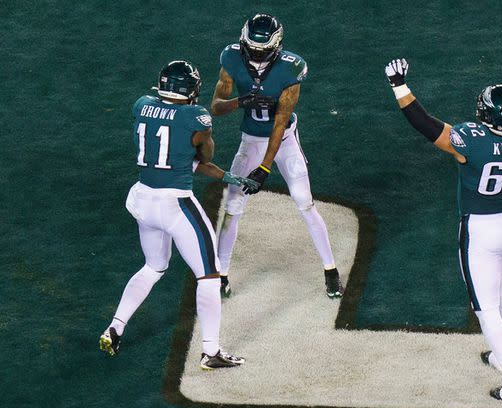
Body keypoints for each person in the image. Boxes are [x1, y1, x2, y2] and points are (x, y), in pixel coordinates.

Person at [385, 39, 502, 400]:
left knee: (485, 307)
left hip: (481, 229)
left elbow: (424, 124)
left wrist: (399, 85)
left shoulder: (472, 141)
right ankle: (501, 355)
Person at [99, 60, 257, 369]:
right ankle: (211, 351)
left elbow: (177, 157)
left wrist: (228, 177)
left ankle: (115, 328)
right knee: (210, 276)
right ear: (191, 91)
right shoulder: (195, 117)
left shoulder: (142, 106)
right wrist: (204, 141)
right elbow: (203, 155)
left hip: (144, 199)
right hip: (174, 204)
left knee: (154, 267)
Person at [210, 13, 344, 299]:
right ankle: (221, 274)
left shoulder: (291, 69)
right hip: (250, 139)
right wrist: (241, 101)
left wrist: (265, 168)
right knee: (233, 204)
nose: (257, 57)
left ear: (277, 47)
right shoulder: (231, 58)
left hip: (283, 142)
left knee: (304, 201)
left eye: (263, 51)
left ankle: (330, 269)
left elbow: (280, 123)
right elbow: (216, 107)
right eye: (253, 50)